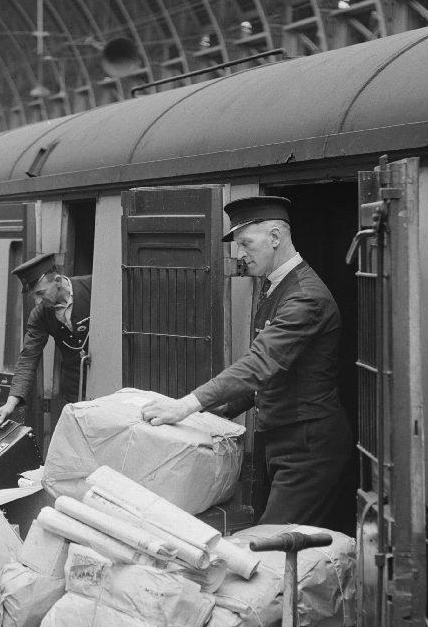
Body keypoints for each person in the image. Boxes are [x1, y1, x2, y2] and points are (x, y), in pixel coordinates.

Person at [141, 197, 351, 527]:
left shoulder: (305, 297)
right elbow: (272, 374)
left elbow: (260, 363)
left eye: (246, 243)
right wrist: (210, 414)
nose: (240, 254)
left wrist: (187, 405)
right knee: (284, 540)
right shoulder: (278, 286)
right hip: (287, 438)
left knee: (274, 543)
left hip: (308, 446)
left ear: (275, 237)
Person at [0, 252, 91, 429]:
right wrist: (11, 403)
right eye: (33, 295)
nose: (37, 301)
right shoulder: (40, 315)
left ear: (57, 281)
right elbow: (28, 357)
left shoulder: (92, 287)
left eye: (40, 293)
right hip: (74, 395)